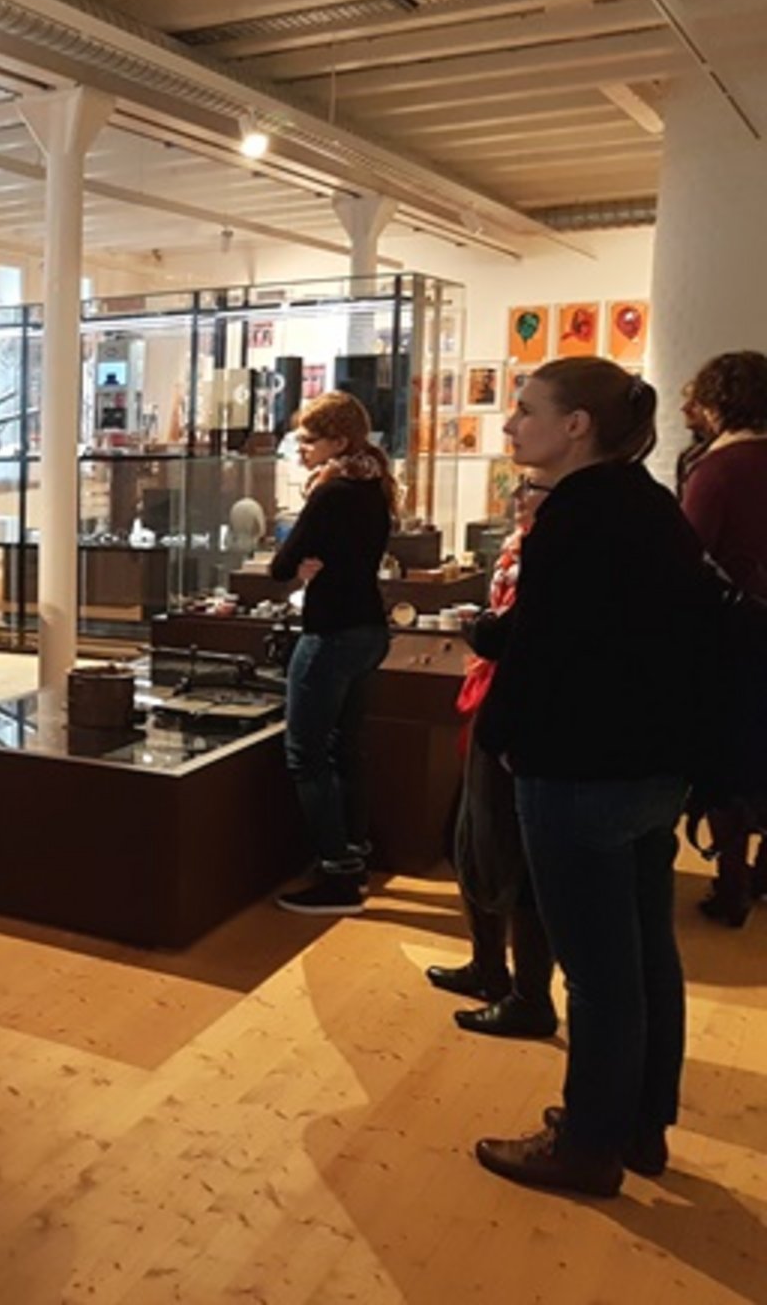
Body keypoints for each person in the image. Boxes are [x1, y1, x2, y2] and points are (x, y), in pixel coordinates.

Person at [472, 357, 710, 1198]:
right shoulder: (646, 503)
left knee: (600, 973)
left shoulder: (578, 516)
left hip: (581, 769)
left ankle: (587, 1145)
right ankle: (639, 1124)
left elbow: (546, 652)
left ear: (576, 425)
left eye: (526, 409)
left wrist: (504, 738)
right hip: (648, 766)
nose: (511, 424)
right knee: (643, 956)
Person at [425, 473, 556, 1039]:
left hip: (520, 710)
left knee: (511, 852)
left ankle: (529, 995)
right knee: (472, 839)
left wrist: (483, 630)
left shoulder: (554, 551)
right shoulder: (521, 547)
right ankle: (489, 967)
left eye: (533, 489)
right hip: (496, 697)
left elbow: (512, 635)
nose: (519, 496)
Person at [269, 391, 395, 915]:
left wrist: (299, 566)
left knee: (306, 753)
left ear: (338, 442)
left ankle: (337, 873)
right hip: (369, 628)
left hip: (331, 632)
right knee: (347, 747)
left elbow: (281, 564)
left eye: (308, 440)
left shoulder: (331, 493)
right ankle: (354, 853)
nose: (300, 449)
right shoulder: (374, 486)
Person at [678, 351, 767, 924]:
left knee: (727, 761)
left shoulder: (718, 470)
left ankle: (732, 884)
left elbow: (686, 555)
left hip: (737, 638)